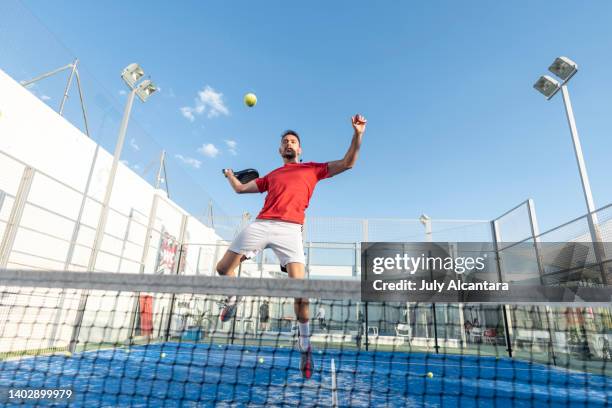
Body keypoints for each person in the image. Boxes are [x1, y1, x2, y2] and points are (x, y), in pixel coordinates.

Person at [216, 114, 367, 379]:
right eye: (285, 141)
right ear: (280, 149)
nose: (289, 144)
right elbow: (240, 189)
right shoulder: (272, 175)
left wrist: (358, 134)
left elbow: (348, 163)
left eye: (293, 141)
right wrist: (230, 176)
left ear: (299, 149)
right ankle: (231, 299)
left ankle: (305, 347)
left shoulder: (312, 168)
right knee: (223, 268)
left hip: (290, 230)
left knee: (301, 292)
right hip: (262, 224)